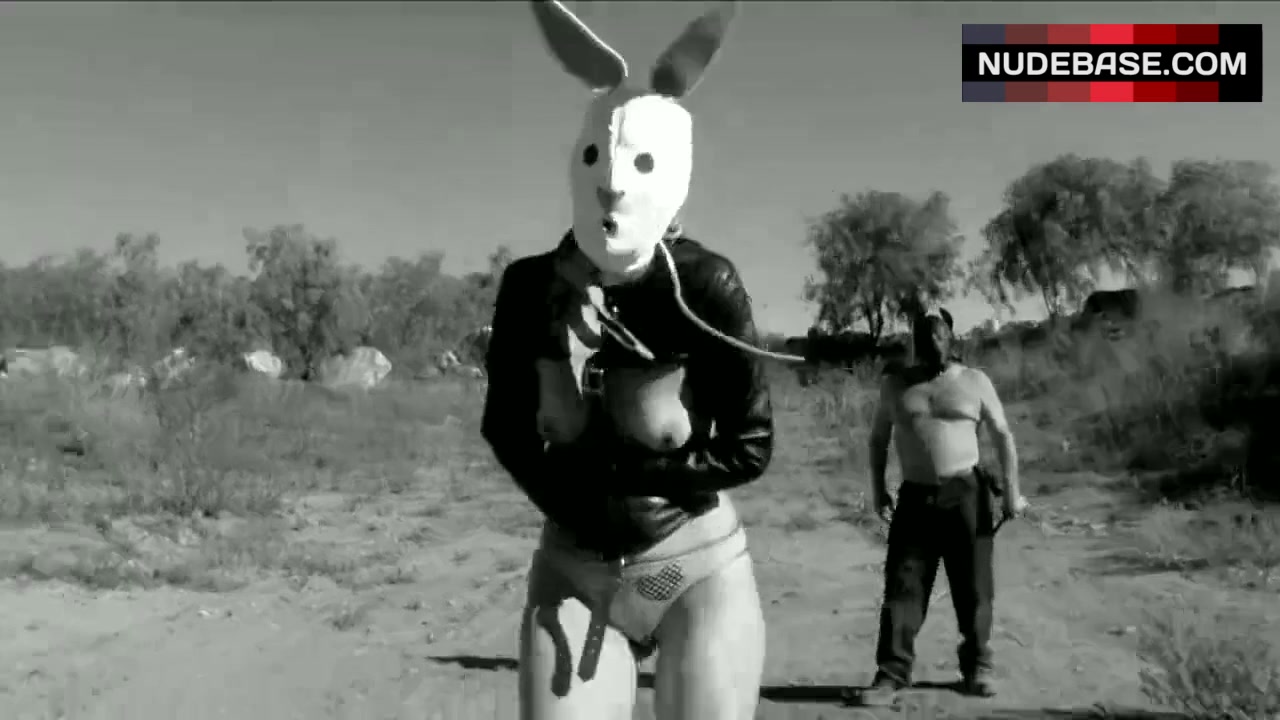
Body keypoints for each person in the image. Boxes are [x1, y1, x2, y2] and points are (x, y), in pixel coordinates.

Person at [481, 3, 772, 719]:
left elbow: (751, 446)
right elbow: (505, 427)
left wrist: (635, 475)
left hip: (696, 567)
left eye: (642, 162)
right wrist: (569, 500)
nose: (613, 182)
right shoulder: (529, 288)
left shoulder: (706, 285)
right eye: (596, 158)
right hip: (573, 573)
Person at [861, 307, 1029, 706]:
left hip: (966, 494)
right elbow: (878, 439)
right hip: (915, 498)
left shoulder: (974, 381)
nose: (932, 343)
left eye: (939, 335)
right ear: (915, 342)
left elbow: (1003, 435)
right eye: (924, 336)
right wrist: (878, 490)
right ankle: (891, 674)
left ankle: (978, 666)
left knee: (974, 586)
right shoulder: (896, 386)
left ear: (951, 339)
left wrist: (1012, 492)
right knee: (903, 586)